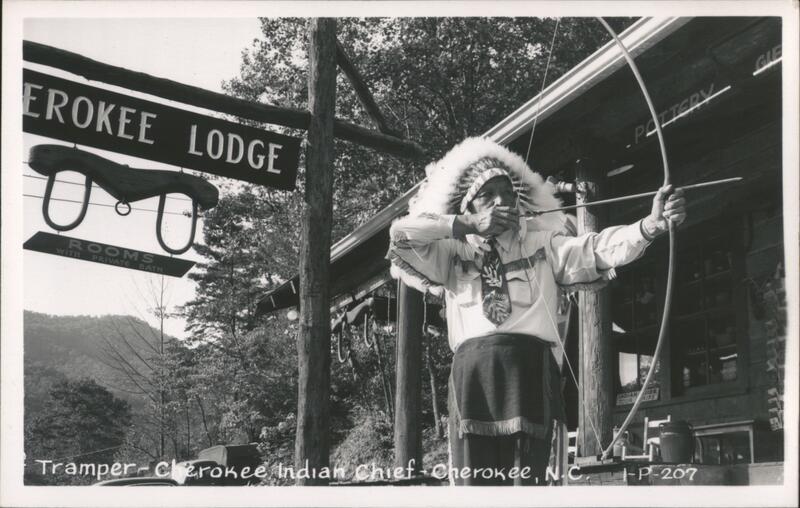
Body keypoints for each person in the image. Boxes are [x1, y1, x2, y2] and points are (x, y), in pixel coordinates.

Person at [386, 137, 686, 485]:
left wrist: (649, 226)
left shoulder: (541, 244)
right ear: (470, 207)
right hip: (473, 380)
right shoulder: (451, 253)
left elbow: (595, 250)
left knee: (532, 483)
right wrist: (468, 226)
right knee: (474, 484)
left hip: (531, 372)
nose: (502, 202)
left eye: (508, 194)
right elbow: (400, 236)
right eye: (489, 195)